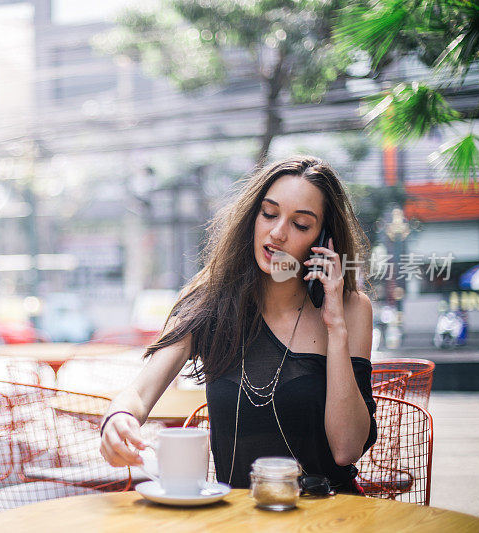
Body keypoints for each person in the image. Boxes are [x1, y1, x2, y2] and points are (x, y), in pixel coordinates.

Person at [99, 155, 377, 493]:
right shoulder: (207, 300)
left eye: (300, 224)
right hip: (237, 518)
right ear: (252, 216)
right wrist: (118, 418)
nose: (277, 232)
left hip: (329, 515)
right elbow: (140, 391)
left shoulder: (351, 309)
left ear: (323, 239)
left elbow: (346, 449)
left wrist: (336, 329)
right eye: (269, 214)